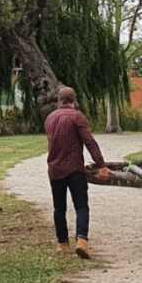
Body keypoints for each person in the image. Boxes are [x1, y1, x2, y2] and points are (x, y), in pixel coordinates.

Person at [45, 86, 110, 258]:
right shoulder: (77, 117)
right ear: (74, 101)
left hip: (55, 169)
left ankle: (62, 243)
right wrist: (101, 164)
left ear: (59, 101)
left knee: (59, 208)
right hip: (75, 169)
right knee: (81, 206)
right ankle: (82, 240)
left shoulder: (50, 118)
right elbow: (89, 142)